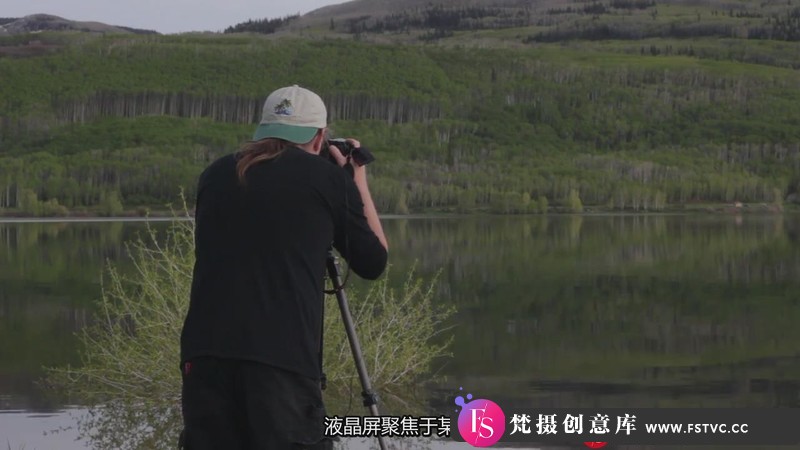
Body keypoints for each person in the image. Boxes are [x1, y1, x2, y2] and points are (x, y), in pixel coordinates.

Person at [179, 85, 388, 449]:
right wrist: (354, 178)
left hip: (204, 359)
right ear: (320, 136)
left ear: (264, 129)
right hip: (281, 363)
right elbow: (373, 260)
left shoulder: (214, 174)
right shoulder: (323, 179)